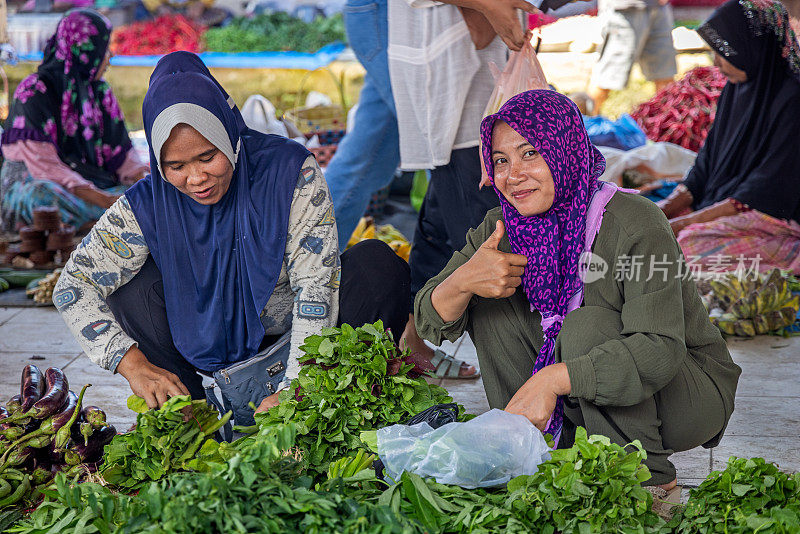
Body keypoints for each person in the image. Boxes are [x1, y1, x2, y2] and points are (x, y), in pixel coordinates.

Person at [414, 90, 741, 509]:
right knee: (490, 302)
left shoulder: (636, 221)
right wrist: (462, 281)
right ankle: (542, 456)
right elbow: (428, 320)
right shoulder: (501, 227)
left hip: (683, 395)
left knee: (586, 325)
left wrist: (551, 379)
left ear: (565, 150)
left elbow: (659, 350)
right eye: (500, 160)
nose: (513, 175)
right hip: (582, 399)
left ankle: (648, 483)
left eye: (530, 153)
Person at [53, 52, 412, 429]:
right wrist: (132, 363)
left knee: (376, 265)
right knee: (130, 290)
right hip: (207, 347)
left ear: (229, 134)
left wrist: (297, 387)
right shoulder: (146, 203)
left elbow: (315, 286)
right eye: (175, 166)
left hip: (304, 339)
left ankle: (333, 400)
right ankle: (193, 413)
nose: (196, 178)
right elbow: (73, 286)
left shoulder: (289, 171)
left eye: (208, 157)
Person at [325, 0, 541, 379]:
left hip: (433, 31)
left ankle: (410, 335)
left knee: (393, 160)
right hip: (406, 21)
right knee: (460, 173)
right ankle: (298, 287)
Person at [658, 0, 800, 273]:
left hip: (774, 218)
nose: (717, 63)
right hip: (729, 206)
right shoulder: (735, 90)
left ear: (754, 48)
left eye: (725, 51)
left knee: (684, 248)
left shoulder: (792, 100)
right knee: (650, 226)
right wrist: (663, 211)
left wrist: (682, 224)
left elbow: (766, 190)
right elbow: (706, 163)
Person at [0, 10, 148, 234]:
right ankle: (110, 223)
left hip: (92, 188)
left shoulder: (100, 93)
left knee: (148, 193)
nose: (110, 56)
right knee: (41, 198)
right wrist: (109, 202)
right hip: (44, 184)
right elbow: (48, 170)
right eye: (103, 48)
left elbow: (124, 157)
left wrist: (145, 182)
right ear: (84, 51)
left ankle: (98, 224)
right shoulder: (34, 92)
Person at [587, 0, 677, 114]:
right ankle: (582, 125)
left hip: (659, 7)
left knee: (665, 77)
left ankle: (666, 127)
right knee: (606, 79)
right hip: (625, 9)